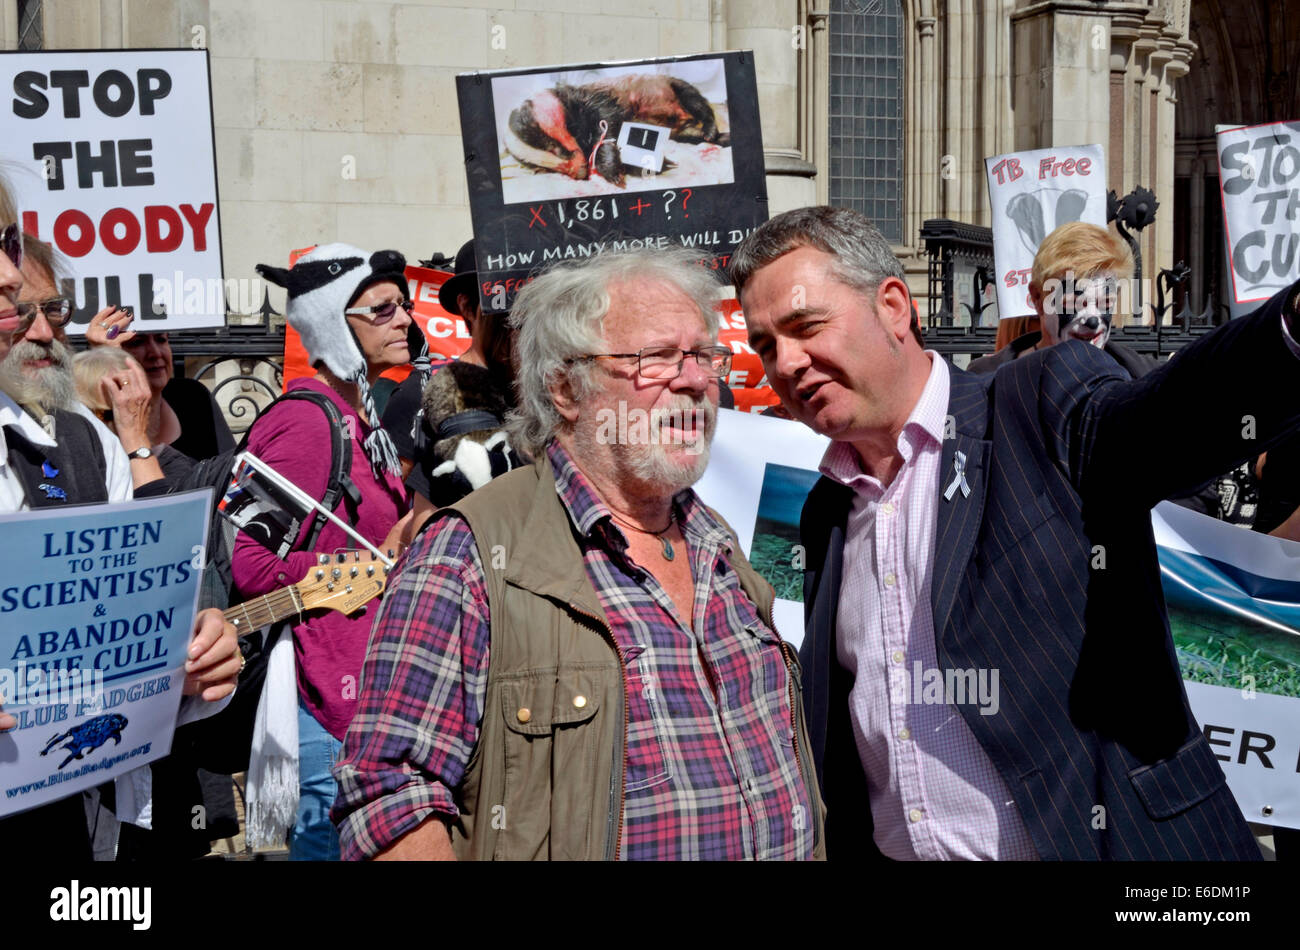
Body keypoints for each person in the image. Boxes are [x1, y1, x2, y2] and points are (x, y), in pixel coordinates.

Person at [730, 205, 1300, 860]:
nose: (787, 363)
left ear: (892, 306)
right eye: (766, 345)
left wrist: (1290, 332)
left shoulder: (1039, 403)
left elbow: (1173, 417)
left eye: (806, 327)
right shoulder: (827, 509)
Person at [333, 247, 824, 861]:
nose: (697, 380)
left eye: (703, 355)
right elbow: (386, 793)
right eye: (654, 359)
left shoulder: (719, 542)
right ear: (566, 389)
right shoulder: (469, 554)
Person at [0, 222, 241, 855]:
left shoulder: (86, 443)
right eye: (16, 313)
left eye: (53, 309)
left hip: (83, 818)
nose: (46, 333)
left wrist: (197, 658)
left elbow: (137, 633)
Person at [236, 244, 413, 860]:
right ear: (335, 321)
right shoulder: (305, 423)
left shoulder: (359, 419)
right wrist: (380, 564)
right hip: (327, 708)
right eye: (383, 309)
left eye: (403, 306)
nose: (406, 321)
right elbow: (250, 564)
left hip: (369, 699)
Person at [967, 222, 1155, 378]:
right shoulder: (987, 379)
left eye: (1104, 304)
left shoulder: (1142, 376)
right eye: (1073, 304)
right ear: (1038, 298)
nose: (1093, 320)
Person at [88, 313, 235, 464]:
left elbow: (230, 469)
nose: (156, 353)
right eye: (137, 342)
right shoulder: (95, 414)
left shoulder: (193, 396)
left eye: (161, 339)